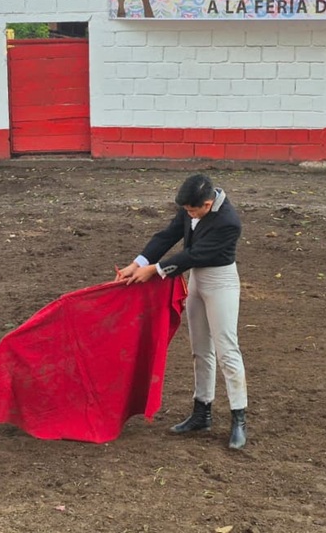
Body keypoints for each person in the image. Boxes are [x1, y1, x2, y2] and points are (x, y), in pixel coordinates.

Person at [115, 174, 248, 450]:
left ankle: (239, 419)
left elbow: (194, 255)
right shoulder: (193, 206)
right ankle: (202, 412)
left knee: (227, 349)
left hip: (221, 283)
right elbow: (168, 235)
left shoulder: (228, 222)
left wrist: (155, 270)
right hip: (198, 280)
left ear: (208, 204)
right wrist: (137, 263)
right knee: (200, 349)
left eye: (191, 210)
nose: (188, 214)